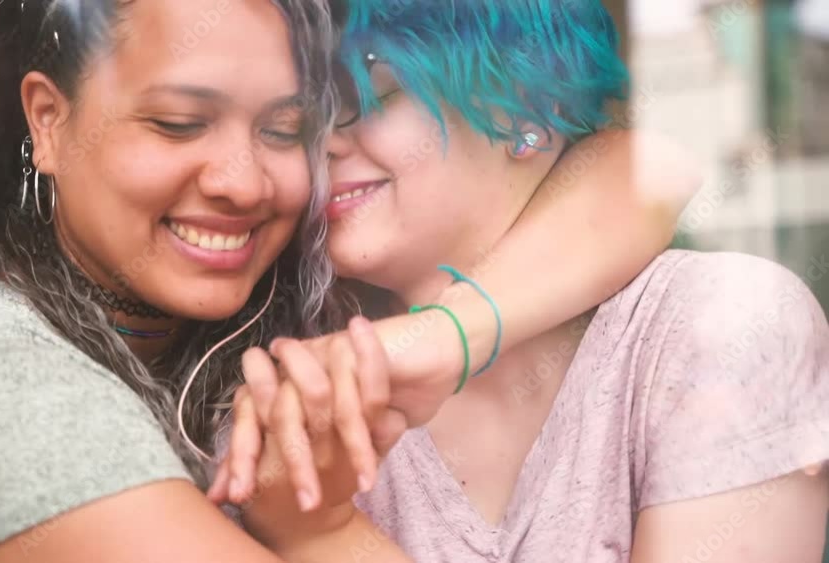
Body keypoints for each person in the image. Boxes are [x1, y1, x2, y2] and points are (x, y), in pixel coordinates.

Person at [0, 0, 697, 561]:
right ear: (48, 125)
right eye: (177, 123)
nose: (244, 182)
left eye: (288, 130)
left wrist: (441, 336)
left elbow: (645, 165)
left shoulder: (250, 333)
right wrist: (317, 528)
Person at [215, 1, 829, 561]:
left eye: (361, 97)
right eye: (301, 118)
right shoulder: (280, 393)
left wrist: (320, 535)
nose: (322, 144)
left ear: (528, 111)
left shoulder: (720, 325)